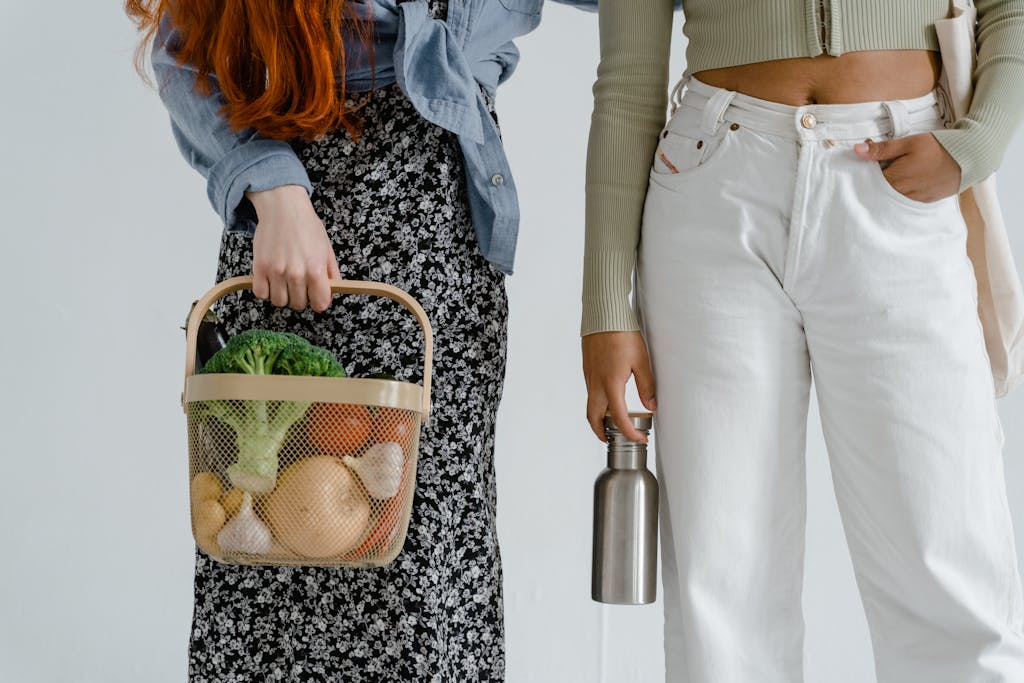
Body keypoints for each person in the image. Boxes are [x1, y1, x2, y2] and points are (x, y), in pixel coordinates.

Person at [580, 0, 1024, 681]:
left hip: (901, 174)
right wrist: (607, 307)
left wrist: (979, 142)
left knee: (950, 572)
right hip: (712, 194)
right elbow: (628, 78)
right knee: (724, 594)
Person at [126, 0, 561, 680]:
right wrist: (272, 190)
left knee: (427, 556)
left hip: (444, 236)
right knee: (270, 534)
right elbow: (183, 53)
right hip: (298, 234)